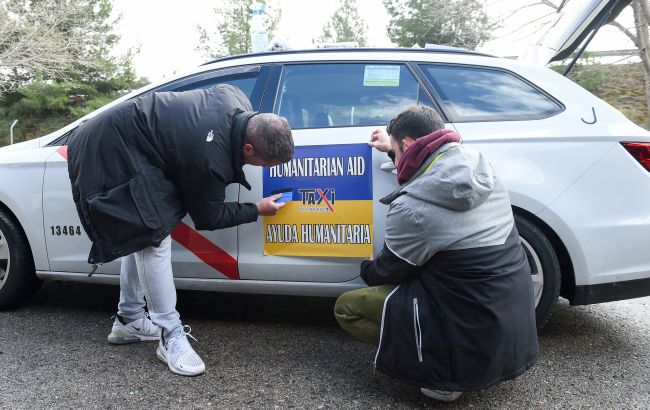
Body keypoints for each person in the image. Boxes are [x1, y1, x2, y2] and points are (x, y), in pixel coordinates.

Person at [67, 84, 294, 377]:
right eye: (265, 163)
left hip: (131, 137)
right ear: (248, 147)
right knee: (152, 235)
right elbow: (208, 217)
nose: (264, 169)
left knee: (143, 234)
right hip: (108, 146)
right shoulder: (209, 156)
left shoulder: (236, 97)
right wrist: (257, 210)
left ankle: (129, 320)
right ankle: (170, 335)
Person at [334, 106, 538, 401]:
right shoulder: (481, 167)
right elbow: (431, 178)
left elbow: (387, 271)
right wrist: (393, 147)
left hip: (464, 317)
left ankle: (441, 371)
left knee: (347, 307)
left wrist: (365, 266)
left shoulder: (411, 207)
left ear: (406, 143)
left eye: (396, 149)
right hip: (510, 319)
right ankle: (465, 358)